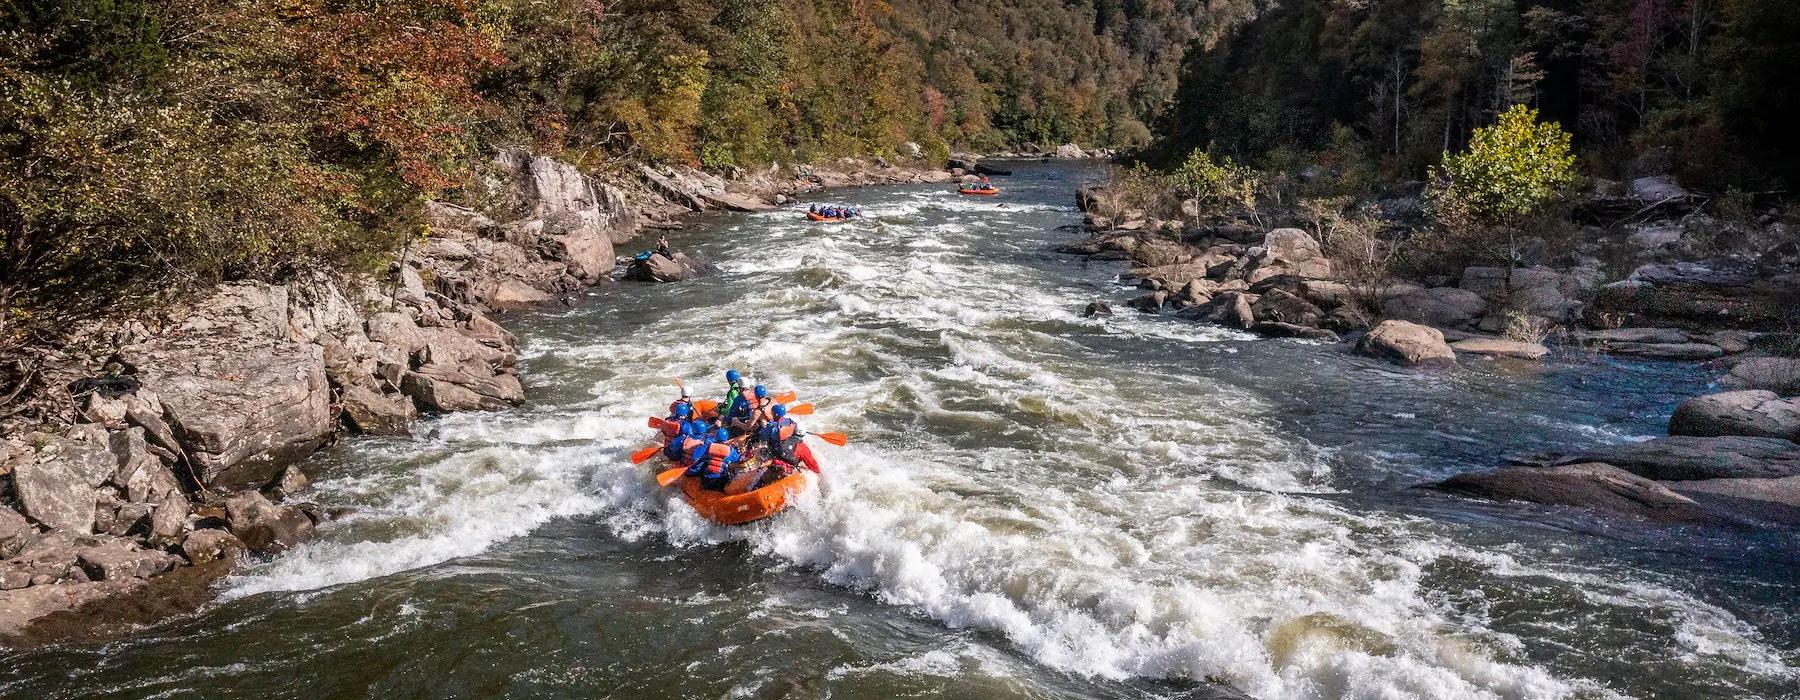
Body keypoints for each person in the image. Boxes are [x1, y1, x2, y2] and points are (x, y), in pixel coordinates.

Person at [758, 404, 820, 474]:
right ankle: (794, 466)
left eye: (772, 412)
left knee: (761, 448)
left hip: (775, 450)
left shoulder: (770, 426)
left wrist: (763, 426)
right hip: (789, 448)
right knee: (803, 454)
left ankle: (773, 464)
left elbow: (762, 437)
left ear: (774, 414)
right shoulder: (791, 421)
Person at [686, 426, 740, 492]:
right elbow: (737, 461)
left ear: (715, 437)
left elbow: (697, 459)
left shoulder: (708, 447)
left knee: (704, 464)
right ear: (726, 439)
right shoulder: (732, 450)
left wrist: (690, 471)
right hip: (722, 480)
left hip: (707, 479)